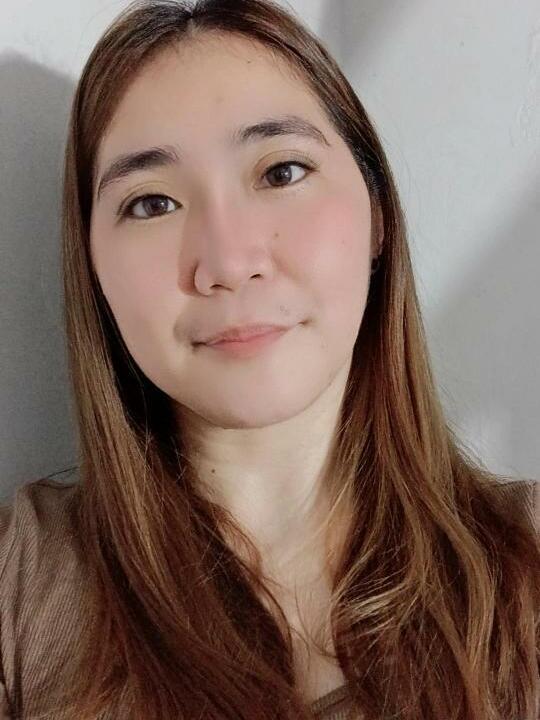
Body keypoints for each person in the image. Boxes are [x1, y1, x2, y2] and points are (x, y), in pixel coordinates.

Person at [0, 1, 538, 719]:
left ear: (378, 214)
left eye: (282, 171)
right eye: (151, 203)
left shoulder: (527, 564)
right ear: (92, 269)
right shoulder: (19, 587)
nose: (227, 262)